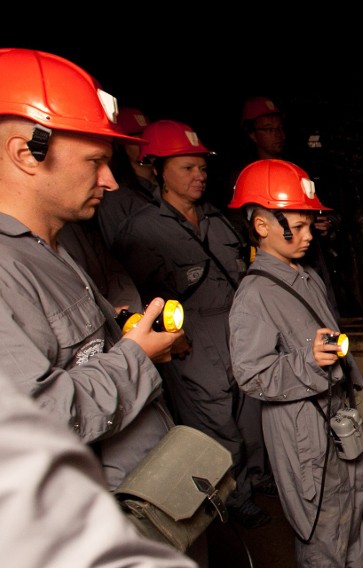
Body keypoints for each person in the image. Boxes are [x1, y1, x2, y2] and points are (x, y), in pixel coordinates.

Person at [0, 45, 190, 525]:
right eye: (95, 161)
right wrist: (137, 358)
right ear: (24, 153)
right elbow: (39, 420)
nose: (111, 181)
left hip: (147, 501)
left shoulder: (46, 245)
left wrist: (131, 335)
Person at [111, 119, 273, 531]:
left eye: (202, 168)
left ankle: (258, 476)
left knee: (251, 410)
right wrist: (170, 341)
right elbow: (138, 298)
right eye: (187, 168)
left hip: (235, 327)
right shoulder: (143, 230)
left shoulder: (218, 220)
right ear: (159, 169)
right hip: (191, 336)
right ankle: (235, 496)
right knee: (215, 418)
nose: (200, 175)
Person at [227, 159, 363, 567]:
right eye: (296, 227)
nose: (308, 235)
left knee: (352, 507)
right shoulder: (254, 296)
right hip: (302, 432)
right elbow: (251, 375)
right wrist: (307, 362)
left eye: (308, 224)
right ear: (262, 226)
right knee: (321, 524)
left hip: (339, 414)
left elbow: (337, 345)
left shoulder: (307, 276)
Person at [232, 95, 343, 320]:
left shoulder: (300, 170)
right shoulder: (247, 181)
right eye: (269, 129)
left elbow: (334, 208)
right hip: (277, 272)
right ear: (252, 134)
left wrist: (328, 223)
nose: (278, 135)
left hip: (312, 263)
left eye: (280, 128)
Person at [96, 106, 159, 251]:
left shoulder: (169, 185)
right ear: (120, 145)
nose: (145, 142)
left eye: (147, 135)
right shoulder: (116, 198)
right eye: (136, 137)